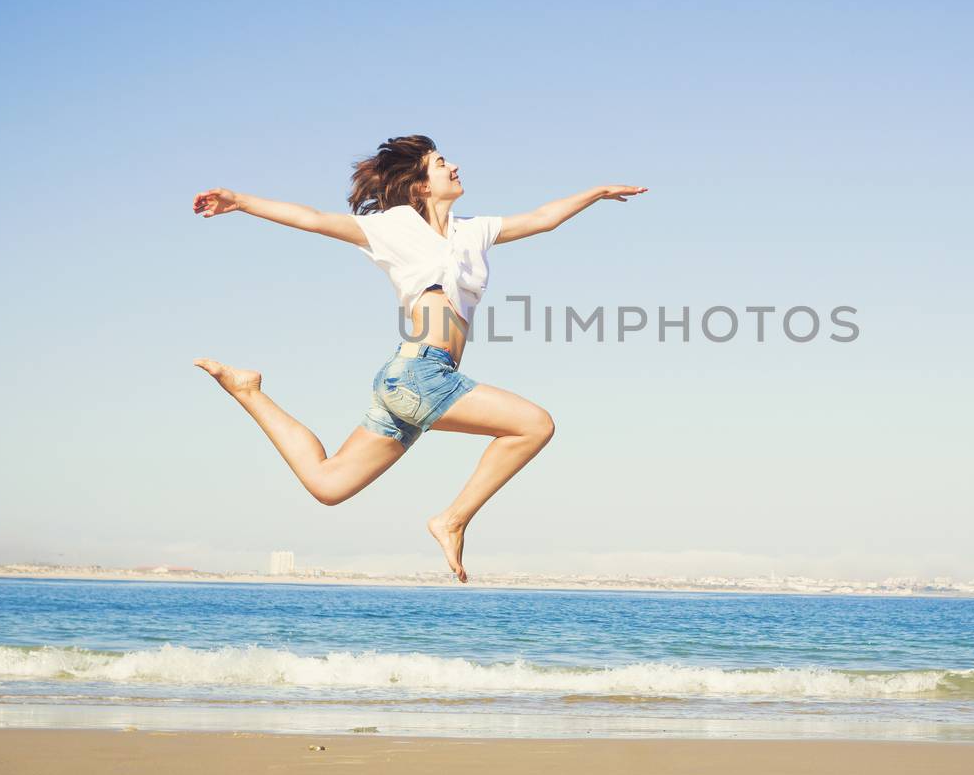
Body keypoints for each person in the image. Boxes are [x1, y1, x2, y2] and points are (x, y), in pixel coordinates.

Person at [191, 134, 648, 582]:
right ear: (421, 184)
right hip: (421, 373)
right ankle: (452, 520)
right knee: (535, 425)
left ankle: (246, 391)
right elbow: (312, 218)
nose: (454, 166)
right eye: (442, 162)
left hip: (409, 380)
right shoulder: (392, 228)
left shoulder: (474, 231)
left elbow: (543, 218)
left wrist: (597, 192)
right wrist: (240, 200)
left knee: (327, 484)